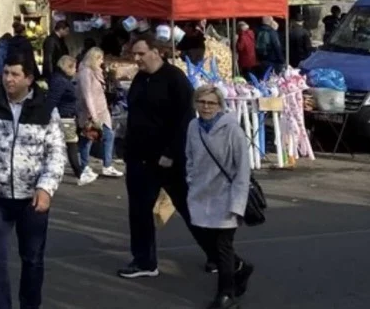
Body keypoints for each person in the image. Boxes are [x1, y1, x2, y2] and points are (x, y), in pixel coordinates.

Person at [0, 55, 66, 309]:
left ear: (29, 78)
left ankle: (30, 304)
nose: (8, 79)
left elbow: (56, 152)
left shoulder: (46, 108)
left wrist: (46, 187)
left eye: (14, 74)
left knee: (33, 259)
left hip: (32, 199)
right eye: (5, 73)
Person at [118, 40, 211, 279]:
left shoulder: (174, 78)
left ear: (156, 52)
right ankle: (144, 261)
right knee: (139, 211)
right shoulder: (139, 79)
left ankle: (217, 254)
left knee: (189, 208)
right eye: (134, 54)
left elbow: (186, 119)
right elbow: (135, 115)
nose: (137, 58)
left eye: (141, 53)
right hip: (139, 158)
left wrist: (171, 153)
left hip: (168, 160)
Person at [187, 85, 255, 309]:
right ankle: (241, 267)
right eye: (202, 102)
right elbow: (189, 156)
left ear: (220, 106)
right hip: (200, 195)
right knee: (210, 244)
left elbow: (243, 169)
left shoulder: (232, 129)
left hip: (227, 196)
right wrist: (191, 180)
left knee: (223, 246)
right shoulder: (193, 127)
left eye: (211, 103)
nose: (206, 107)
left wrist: (238, 203)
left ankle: (225, 295)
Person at [76, 48, 121, 185]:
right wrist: (93, 114)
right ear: (93, 58)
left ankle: (107, 165)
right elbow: (87, 94)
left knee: (108, 135)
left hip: (102, 109)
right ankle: (84, 166)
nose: (102, 61)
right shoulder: (85, 72)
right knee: (88, 139)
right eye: (100, 58)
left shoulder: (97, 72)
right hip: (90, 112)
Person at [47, 55, 84, 182]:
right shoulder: (61, 81)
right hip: (65, 117)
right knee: (71, 144)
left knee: (67, 145)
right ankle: (79, 172)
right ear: (68, 67)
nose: (76, 71)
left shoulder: (60, 79)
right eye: (74, 68)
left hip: (65, 116)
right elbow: (53, 100)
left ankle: (77, 171)